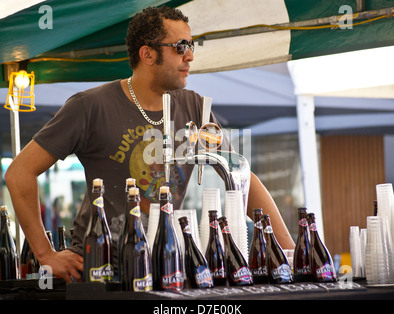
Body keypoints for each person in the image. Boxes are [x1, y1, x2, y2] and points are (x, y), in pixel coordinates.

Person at [5, 6, 294, 283]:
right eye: (180, 46)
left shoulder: (194, 107)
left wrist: (288, 251)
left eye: (193, 45)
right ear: (147, 54)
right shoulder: (90, 106)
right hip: (101, 270)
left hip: (167, 265)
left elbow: (241, 177)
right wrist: (45, 253)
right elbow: (19, 173)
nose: (190, 56)